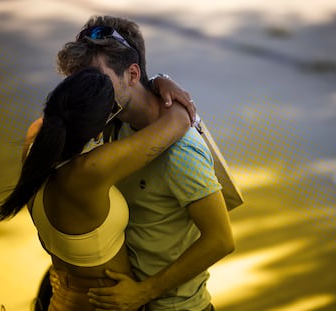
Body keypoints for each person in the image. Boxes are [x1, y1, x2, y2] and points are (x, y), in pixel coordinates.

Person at [43, 16, 235, 311]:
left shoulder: (181, 153)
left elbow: (221, 240)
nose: (85, 92)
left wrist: (145, 292)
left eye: (96, 80)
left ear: (132, 74)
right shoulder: (113, 120)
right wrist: (159, 79)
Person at [0, 68, 191, 311]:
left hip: (62, 298)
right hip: (104, 304)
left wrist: (158, 80)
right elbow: (179, 120)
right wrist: (164, 81)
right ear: (99, 130)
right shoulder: (90, 170)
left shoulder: (34, 141)